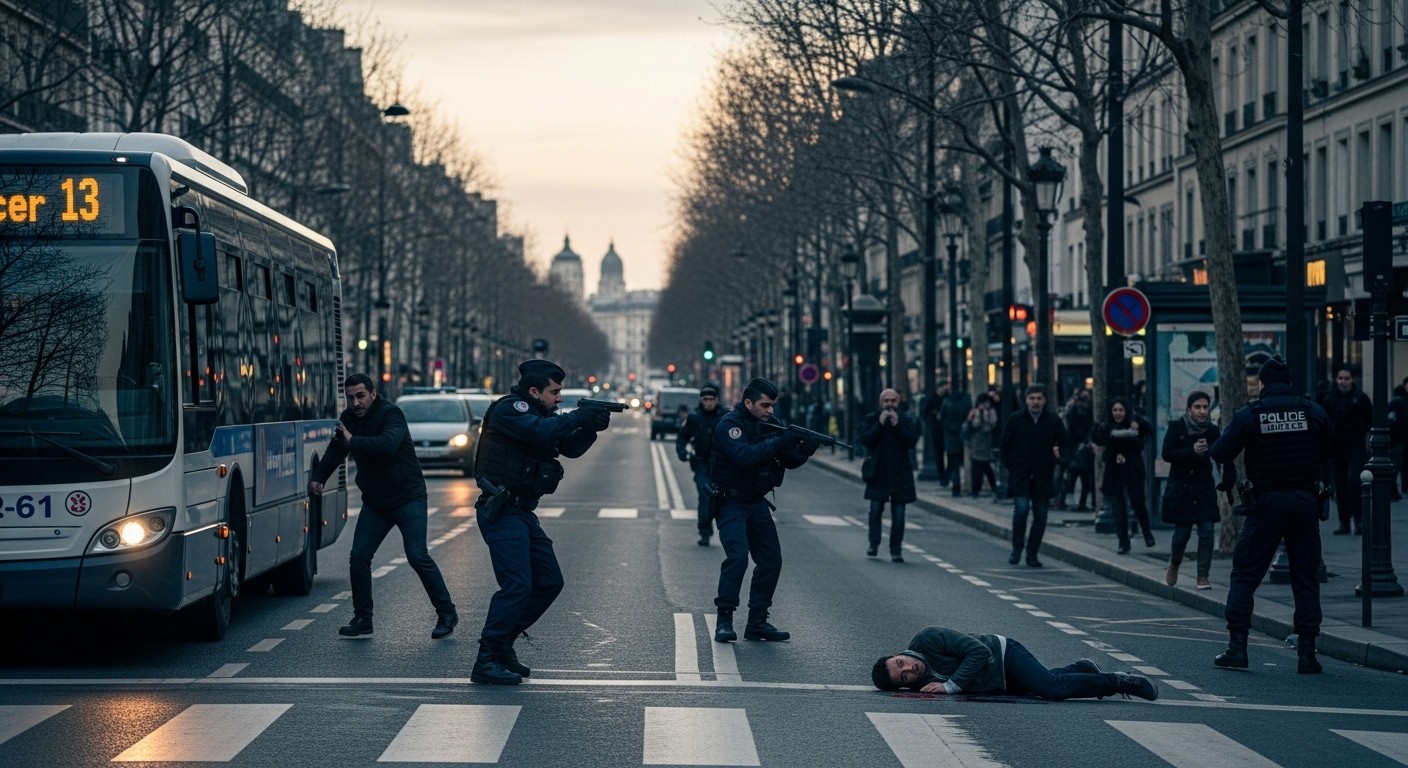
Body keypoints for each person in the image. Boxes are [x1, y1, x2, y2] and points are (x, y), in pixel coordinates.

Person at [470, 359, 611, 685]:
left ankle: (504, 644)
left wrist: (591, 427)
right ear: (534, 391)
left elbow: (569, 447)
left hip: (521, 514)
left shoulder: (541, 414)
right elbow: (542, 431)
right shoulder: (510, 410)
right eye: (555, 391)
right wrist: (578, 416)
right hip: (501, 511)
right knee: (517, 586)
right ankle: (487, 657)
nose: (559, 398)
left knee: (549, 581)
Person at [308, 373, 457, 641]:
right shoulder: (349, 419)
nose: (355, 403)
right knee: (359, 557)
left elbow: (387, 446)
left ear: (373, 394)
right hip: (376, 502)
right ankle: (363, 618)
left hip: (407, 497)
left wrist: (352, 439)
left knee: (417, 555)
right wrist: (319, 477)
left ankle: (446, 613)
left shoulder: (392, 414)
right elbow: (336, 450)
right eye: (350, 397)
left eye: (360, 396)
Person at [1209, 355, 1333, 674]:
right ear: (1290, 383)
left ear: (1261, 384)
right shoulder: (1312, 412)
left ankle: (1238, 647)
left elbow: (1221, 451)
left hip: (1266, 503)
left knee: (1245, 574)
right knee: (1305, 577)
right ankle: (1307, 653)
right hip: (1305, 500)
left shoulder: (1251, 413)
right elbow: (1334, 448)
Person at [709, 377, 818, 643]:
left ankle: (757, 622)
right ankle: (725, 619)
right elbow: (744, 457)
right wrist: (780, 442)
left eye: (773, 405)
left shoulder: (772, 426)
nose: (770, 410)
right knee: (737, 558)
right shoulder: (729, 425)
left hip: (756, 502)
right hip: (730, 502)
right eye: (765, 405)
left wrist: (805, 449)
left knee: (771, 560)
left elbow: (787, 460)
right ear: (748, 403)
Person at [870, 625, 1158, 701]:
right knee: (1045, 682)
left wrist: (952, 685)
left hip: (1003, 653)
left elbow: (979, 651)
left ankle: (1118, 681)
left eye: (901, 662)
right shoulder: (921, 686)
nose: (909, 669)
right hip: (999, 683)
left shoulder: (928, 638)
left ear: (900, 652)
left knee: (1051, 689)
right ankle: (1081, 669)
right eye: (904, 677)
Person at [1160, 390, 1236, 589]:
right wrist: (1191, 451)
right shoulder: (1177, 427)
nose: (1202, 411)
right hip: (1182, 488)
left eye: (1205, 407)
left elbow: (1220, 454)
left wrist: (1225, 479)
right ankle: (1174, 563)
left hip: (1203, 488)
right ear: (1189, 409)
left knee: (1207, 531)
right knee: (1181, 534)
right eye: (1198, 407)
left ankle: (1203, 575)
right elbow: (1167, 453)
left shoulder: (1211, 430)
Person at [998, 384, 1072, 567]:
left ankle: (1032, 553)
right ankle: (1017, 548)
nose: (1035, 402)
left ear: (1044, 400)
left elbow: (1066, 444)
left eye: (1039, 398)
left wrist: (1060, 458)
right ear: (1026, 400)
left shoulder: (1053, 420)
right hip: (1021, 474)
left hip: (1043, 474)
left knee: (1041, 516)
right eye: (1032, 398)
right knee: (1021, 510)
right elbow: (1004, 446)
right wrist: (1012, 467)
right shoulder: (1015, 419)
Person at [860, 388, 922, 562]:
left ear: (898, 403)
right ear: (881, 403)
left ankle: (896, 549)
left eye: (893, 401)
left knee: (899, 515)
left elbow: (911, 441)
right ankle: (874, 544)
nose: (889, 404)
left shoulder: (906, 419)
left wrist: (897, 425)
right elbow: (865, 439)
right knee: (875, 511)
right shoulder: (872, 418)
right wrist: (879, 424)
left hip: (900, 474)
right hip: (878, 473)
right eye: (886, 401)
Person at [1092, 397, 1156, 554]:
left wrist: (1137, 427)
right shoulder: (1107, 426)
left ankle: (1147, 533)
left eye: (1121, 410)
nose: (1118, 413)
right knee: (1118, 508)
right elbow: (1097, 438)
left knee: (1137, 501)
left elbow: (1144, 437)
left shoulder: (1134, 423)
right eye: (1115, 410)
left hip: (1132, 468)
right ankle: (1123, 542)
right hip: (1114, 469)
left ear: (1126, 411)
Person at [1317, 368, 1371, 535]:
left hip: (1355, 446)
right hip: (1337, 448)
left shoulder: (1360, 398)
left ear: (1352, 379)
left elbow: (1369, 418)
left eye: (1346, 378)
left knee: (1354, 482)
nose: (1343, 381)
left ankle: (1358, 520)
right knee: (1340, 486)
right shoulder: (1330, 399)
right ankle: (1345, 522)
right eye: (1340, 378)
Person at [677, 382, 727, 546]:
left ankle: (728, 531)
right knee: (705, 496)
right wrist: (681, 451)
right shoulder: (695, 417)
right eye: (705, 399)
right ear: (701, 401)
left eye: (711, 399)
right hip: (702, 463)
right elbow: (683, 436)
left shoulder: (726, 417)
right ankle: (705, 531)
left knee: (726, 500)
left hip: (722, 466)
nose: (708, 403)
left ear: (716, 400)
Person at [1057, 389, 1094, 509]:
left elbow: (1070, 429)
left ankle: (1065, 501)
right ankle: (1082, 503)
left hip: (1073, 447)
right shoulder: (1088, 411)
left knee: (1071, 477)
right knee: (1084, 478)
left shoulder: (1072, 411)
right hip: (1081, 447)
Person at [939, 385, 972, 497]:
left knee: (953, 463)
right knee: (958, 462)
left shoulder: (947, 402)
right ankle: (957, 485)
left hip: (950, 437)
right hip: (961, 435)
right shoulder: (966, 401)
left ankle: (955, 486)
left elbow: (942, 418)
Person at [963, 397, 998, 496]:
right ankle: (975, 489)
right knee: (976, 467)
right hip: (976, 441)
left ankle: (992, 486)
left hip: (986, 442)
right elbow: (971, 425)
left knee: (986, 466)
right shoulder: (974, 412)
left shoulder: (991, 412)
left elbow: (992, 425)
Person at [921, 383, 948, 481]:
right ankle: (942, 474)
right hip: (937, 429)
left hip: (944, 428)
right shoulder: (932, 400)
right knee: (939, 452)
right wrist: (934, 417)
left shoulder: (946, 398)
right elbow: (926, 414)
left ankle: (945, 475)